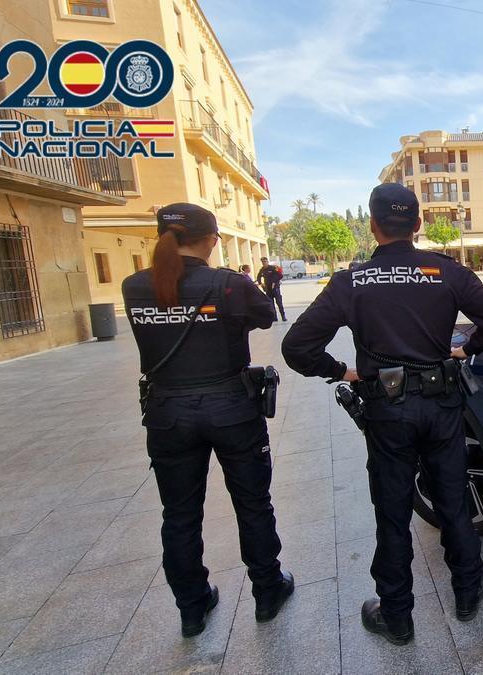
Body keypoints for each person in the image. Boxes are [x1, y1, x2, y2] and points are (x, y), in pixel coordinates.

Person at [281, 184, 483, 645]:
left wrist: (344, 372)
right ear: (419, 224)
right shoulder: (447, 271)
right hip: (442, 404)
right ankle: (468, 590)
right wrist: (465, 350)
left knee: (391, 511)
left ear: (372, 224)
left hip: (387, 410)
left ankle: (397, 615)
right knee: (452, 500)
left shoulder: (353, 281)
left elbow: (296, 347)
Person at [122, 203, 294, 638]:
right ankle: (268, 590)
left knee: (178, 514)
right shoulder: (228, 285)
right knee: (252, 503)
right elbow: (265, 315)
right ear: (211, 239)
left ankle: (192, 608)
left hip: (167, 414)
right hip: (231, 409)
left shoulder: (133, 286)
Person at [255, 257, 287, 322]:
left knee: (279, 303)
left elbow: (280, 275)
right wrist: (261, 283)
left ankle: (283, 316)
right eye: (262, 261)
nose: (264, 263)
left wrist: (274, 282)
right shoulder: (262, 269)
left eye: (265, 261)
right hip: (268, 289)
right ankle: (274, 317)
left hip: (275, 288)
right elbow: (258, 277)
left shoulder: (273, 268)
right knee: (271, 304)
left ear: (267, 261)